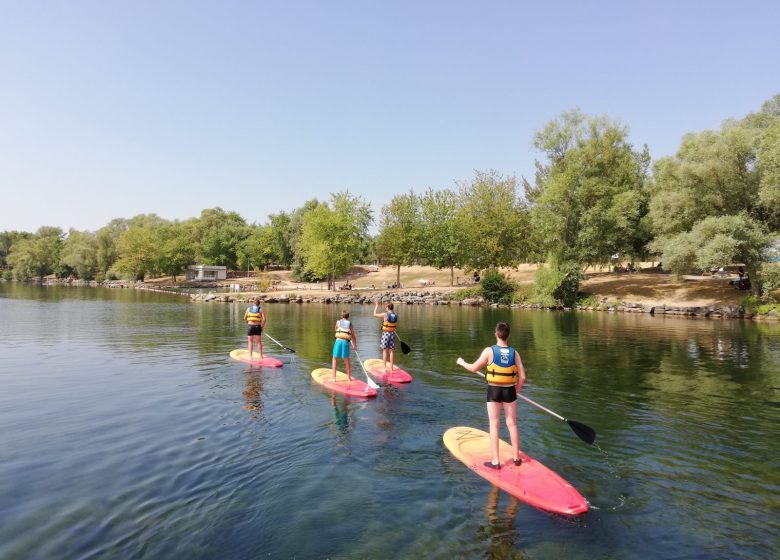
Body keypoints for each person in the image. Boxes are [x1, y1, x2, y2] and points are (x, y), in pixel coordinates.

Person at [457, 322, 527, 470]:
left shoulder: (489, 351)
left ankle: (496, 461)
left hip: (494, 391)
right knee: (512, 424)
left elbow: (474, 368)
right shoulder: (515, 353)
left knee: (494, 424)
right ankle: (516, 458)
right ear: (509, 335)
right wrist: (516, 391)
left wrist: (462, 362)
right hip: (509, 391)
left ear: (496, 333)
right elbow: (523, 378)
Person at [332, 310, 357, 382]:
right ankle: (349, 378)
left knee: (335, 359)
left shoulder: (338, 322)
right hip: (345, 342)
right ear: (348, 317)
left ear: (341, 316)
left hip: (338, 341)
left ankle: (334, 378)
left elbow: (336, 329)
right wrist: (355, 346)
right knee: (347, 360)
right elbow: (353, 336)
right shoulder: (350, 324)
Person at [373, 301, 398, 372]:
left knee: (384, 351)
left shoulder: (385, 314)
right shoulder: (395, 315)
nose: (385, 308)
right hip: (392, 334)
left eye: (386, 307)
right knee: (391, 351)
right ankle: (392, 368)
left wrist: (376, 306)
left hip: (386, 333)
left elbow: (374, 314)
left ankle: (384, 368)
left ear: (388, 307)